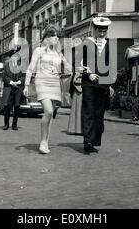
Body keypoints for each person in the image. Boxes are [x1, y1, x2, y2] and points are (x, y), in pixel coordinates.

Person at [24, 24, 72, 154]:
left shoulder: (58, 53)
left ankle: (45, 141)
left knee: (50, 115)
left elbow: (68, 68)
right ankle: (43, 142)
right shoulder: (39, 51)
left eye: (57, 36)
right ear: (46, 37)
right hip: (42, 81)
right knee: (49, 111)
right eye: (53, 36)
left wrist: (65, 61)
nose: (56, 38)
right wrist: (26, 85)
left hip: (55, 82)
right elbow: (30, 68)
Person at [75, 16, 116, 154]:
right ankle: (87, 141)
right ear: (94, 29)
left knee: (99, 113)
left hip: (103, 85)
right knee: (88, 112)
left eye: (104, 31)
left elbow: (110, 67)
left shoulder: (109, 45)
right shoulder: (86, 43)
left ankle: (93, 140)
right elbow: (78, 63)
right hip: (89, 84)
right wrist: (89, 74)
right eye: (99, 31)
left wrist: (110, 85)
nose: (102, 34)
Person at [2, 51, 24, 130]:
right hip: (9, 88)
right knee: (7, 107)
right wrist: (11, 82)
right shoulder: (6, 65)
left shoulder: (22, 66)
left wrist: (18, 82)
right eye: (13, 57)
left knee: (17, 107)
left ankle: (14, 124)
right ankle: (6, 124)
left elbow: (23, 76)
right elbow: (4, 76)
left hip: (18, 88)